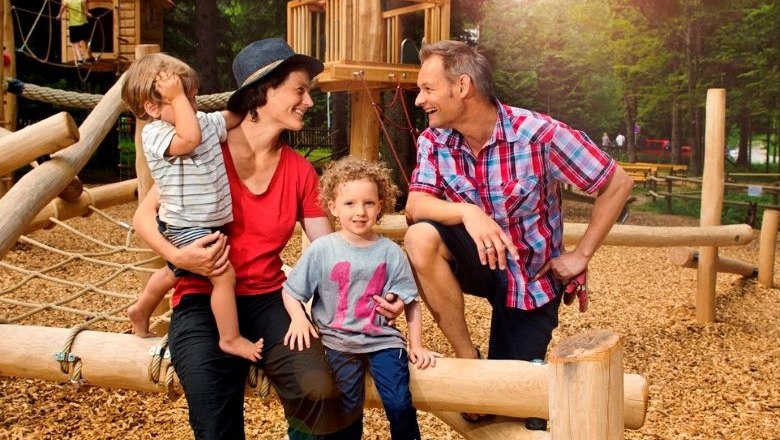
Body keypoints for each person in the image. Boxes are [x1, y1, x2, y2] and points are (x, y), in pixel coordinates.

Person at [132, 38, 404, 439]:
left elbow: (331, 250)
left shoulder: (298, 171)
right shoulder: (206, 151)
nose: (308, 101)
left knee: (320, 391)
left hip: (269, 300)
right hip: (199, 296)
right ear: (263, 92)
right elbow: (143, 216)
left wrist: (380, 290)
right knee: (213, 417)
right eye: (299, 89)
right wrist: (179, 257)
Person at [403, 40, 634, 425]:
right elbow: (415, 206)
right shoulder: (435, 139)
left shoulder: (538, 133)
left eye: (427, 89)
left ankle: (509, 390)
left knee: (508, 409)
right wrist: (468, 211)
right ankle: (467, 359)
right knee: (419, 237)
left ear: (462, 87)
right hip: (478, 263)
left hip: (531, 281)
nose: (418, 101)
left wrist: (580, 256)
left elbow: (617, 183)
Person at [121, 53, 265, 363]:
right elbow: (188, 139)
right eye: (182, 99)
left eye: (193, 96)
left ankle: (140, 309)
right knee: (223, 275)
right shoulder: (156, 133)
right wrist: (177, 98)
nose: (193, 104)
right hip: (185, 223)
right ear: (154, 108)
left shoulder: (200, 121)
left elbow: (228, 118)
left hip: (206, 221)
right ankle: (230, 338)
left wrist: (253, 104)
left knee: (174, 271)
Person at [282, 157, 439, 440]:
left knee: (400, 403)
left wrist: (416, 345)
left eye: (368, 203)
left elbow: (411, 301)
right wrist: (298, 318)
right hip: (337, 342)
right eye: (350, 203)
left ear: (380, 205)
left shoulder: (390, 252)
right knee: (348, 408)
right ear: (332, 207)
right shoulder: (322, 250)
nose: (360, 211)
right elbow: (292, 292)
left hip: (382, 341)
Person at [56, 0, 94, 65]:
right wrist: (89, 14)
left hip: (73, 25)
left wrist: (59, 15)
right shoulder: (82, 0)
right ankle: (89, 57)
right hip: (83, 24)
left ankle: (79, 59)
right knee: (86, 41)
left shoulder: (67, 1)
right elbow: (85, 12)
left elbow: (62, 7)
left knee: (75, 42)